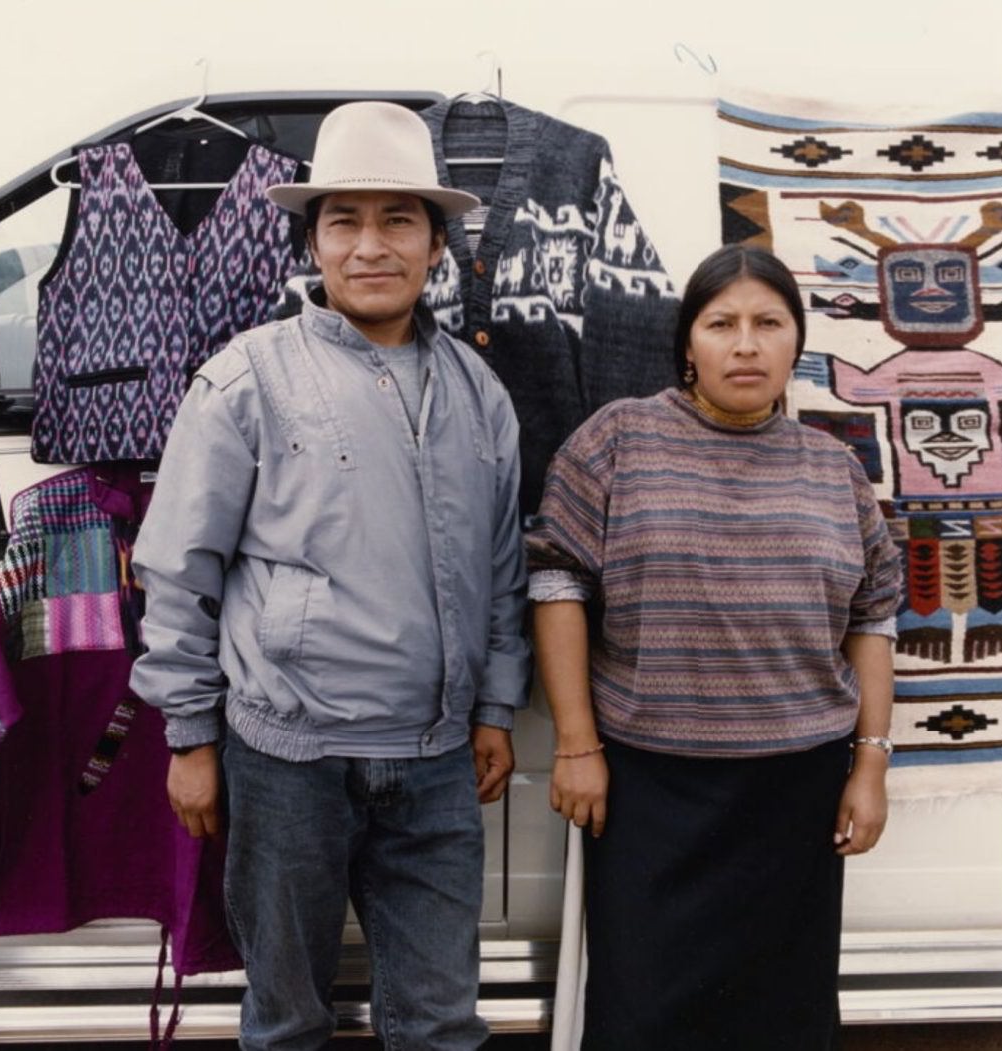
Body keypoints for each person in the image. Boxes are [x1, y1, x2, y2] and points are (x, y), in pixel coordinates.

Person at [129, 101, 530, 1051]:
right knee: (286, 1020)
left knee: (440, 1022)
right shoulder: (245, 379)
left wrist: (494, 709)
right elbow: (177, 571)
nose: (369, 246)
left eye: (398, 219)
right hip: (284, 761)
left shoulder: (479, 391)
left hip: (436, 763)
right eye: (342, 220)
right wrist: (189, 736)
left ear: (437, 242)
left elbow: (502, 563)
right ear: (311, 241)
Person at [526, 244, 902, 1050]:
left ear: (795, 342)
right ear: (686, 344)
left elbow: (872, 613)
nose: (745, 344)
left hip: (795, 794)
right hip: (648, 791)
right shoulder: (616, 441)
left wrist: (868, 764)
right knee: (646, 1011)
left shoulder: (833, 468)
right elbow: (556, 585)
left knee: (780, 1014)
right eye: (720, 323)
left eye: (768, 323)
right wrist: (574, 745)